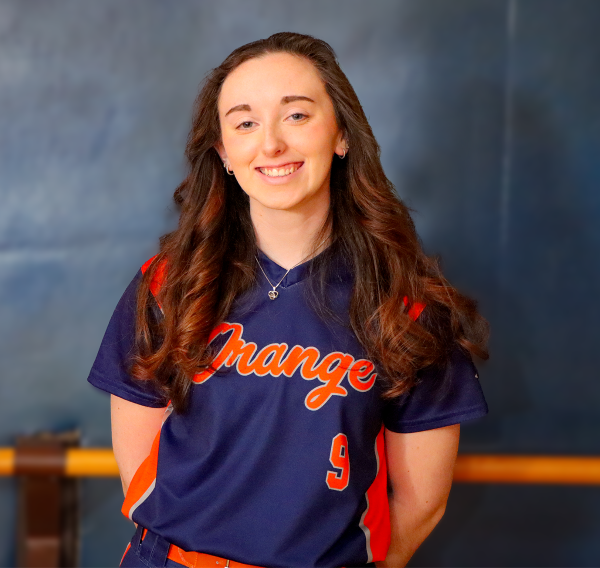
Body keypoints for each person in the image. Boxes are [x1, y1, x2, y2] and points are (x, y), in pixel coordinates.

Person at [88, 32, 489, 568]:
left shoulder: (405, 303)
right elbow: (138, 464)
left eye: (296, 116)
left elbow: (421, 501)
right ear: (225, 153)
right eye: (245, 123)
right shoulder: (169, 283)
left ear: (341, 134)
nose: (271, 144)